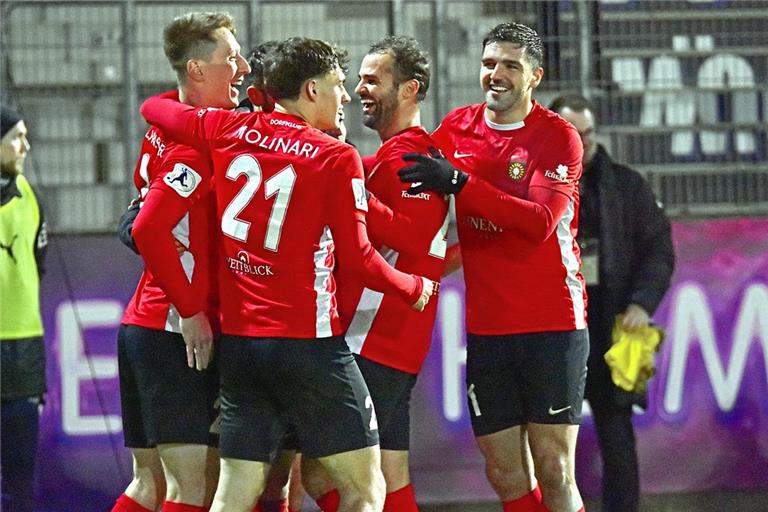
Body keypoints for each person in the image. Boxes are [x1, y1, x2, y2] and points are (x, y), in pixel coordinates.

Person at [139, 37, 435, 512]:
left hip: (241, 346)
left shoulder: (227, 129)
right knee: (366, 489)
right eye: (338, 85)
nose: (345, 96)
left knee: (235, 490)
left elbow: (159, 111)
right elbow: (358, 257)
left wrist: (155, 99)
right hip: (309, 346)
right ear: (312, 90)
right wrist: (412, 286)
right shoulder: (335, 157)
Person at [399, 22, 588, 512]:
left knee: (556, 469)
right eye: (489, 64)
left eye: (510, 66)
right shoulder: (458, 129)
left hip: (553, 325)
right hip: (487, 329)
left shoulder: (557, 137)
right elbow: (406, 170)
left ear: (535, 76)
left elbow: (541, 222)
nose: (496, 75)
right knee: (504, 472)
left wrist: (461, 182)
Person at [300, 35, 449, 512]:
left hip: (377, 337)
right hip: (386, 333)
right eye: (358, 79)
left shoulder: (414, 158)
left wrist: (349, 193)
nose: (360, 89)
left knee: (322, 471)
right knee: (388, 470)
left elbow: (410, 237)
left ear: (410, 89)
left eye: (372, 79)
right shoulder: (392, 154)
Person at [111, 12, 251, 512]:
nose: (242, 67)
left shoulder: (162, 125)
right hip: (172, 330)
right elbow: (149, 227)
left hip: (142, 324)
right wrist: (191, 311)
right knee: (189, 491)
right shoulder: (193, 150)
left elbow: (145, 212)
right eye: (229, 59)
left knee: (147, 487)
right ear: (196, 70)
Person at [549, 93, 674, 512]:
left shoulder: (627, 186)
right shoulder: (532, 183)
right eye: (574, 135)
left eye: (589, 134)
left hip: (613, 321)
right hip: (555, 328)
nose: (584, 145)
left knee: (617, 431)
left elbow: (659, 251)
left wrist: (641, 303)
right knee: (545, 439)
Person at [0, 105, 48, 512]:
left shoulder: (29, 195)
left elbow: (39, 263)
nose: (25, 146)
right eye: (16, 136)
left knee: (20, 479)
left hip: (22, 353)